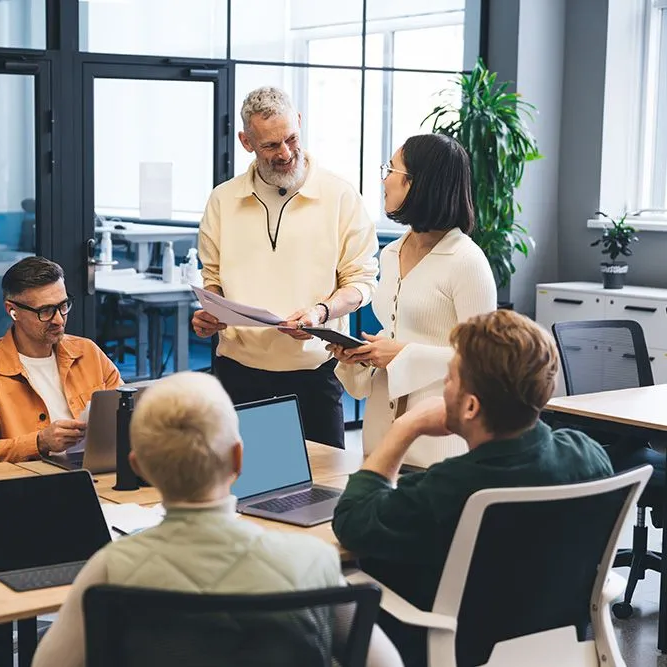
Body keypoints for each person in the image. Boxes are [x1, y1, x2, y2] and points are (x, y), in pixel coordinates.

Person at [32, 372, 403, 667]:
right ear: (239, 460)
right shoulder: (313, 562)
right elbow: (385, 663)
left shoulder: (110, 569)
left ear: (139, 467)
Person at [332, 310, 614, 666]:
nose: (443, 388)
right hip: (554, 645)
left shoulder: (453, 486)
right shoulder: (588, 456)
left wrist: (406, 426)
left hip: (446, 647)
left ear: (470, 406)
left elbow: (352, 520)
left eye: (448, 379)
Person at [193, 86, 379, 448]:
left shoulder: (340, 195)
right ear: (247, 142)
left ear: (299, 122)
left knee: (326, 490)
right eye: (270, 146)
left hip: (313, 376)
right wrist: (210, 311)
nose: (286, 153)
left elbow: (361, 281)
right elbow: (212, 278)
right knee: (241, 489)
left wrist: (321, 312)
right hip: (238, 375)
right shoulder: (222, 199)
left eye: (291, 138)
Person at [330, 133, 496, 468]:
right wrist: (361, 356)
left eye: (391, 170)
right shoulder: (391, 254)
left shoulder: (467, 261)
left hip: (439, 445)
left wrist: (402, 353)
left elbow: (485, 364)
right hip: (379, 438)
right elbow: (395, 340)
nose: (385, 180)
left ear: (418, 184)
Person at [0, 256, 122, 466]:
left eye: (63, 305)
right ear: (12, 311)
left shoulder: (88, 352)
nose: (59, 320)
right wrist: (39, 442)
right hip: (30, 484)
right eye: (46, 311)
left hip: (97, 473)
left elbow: (128, 416)